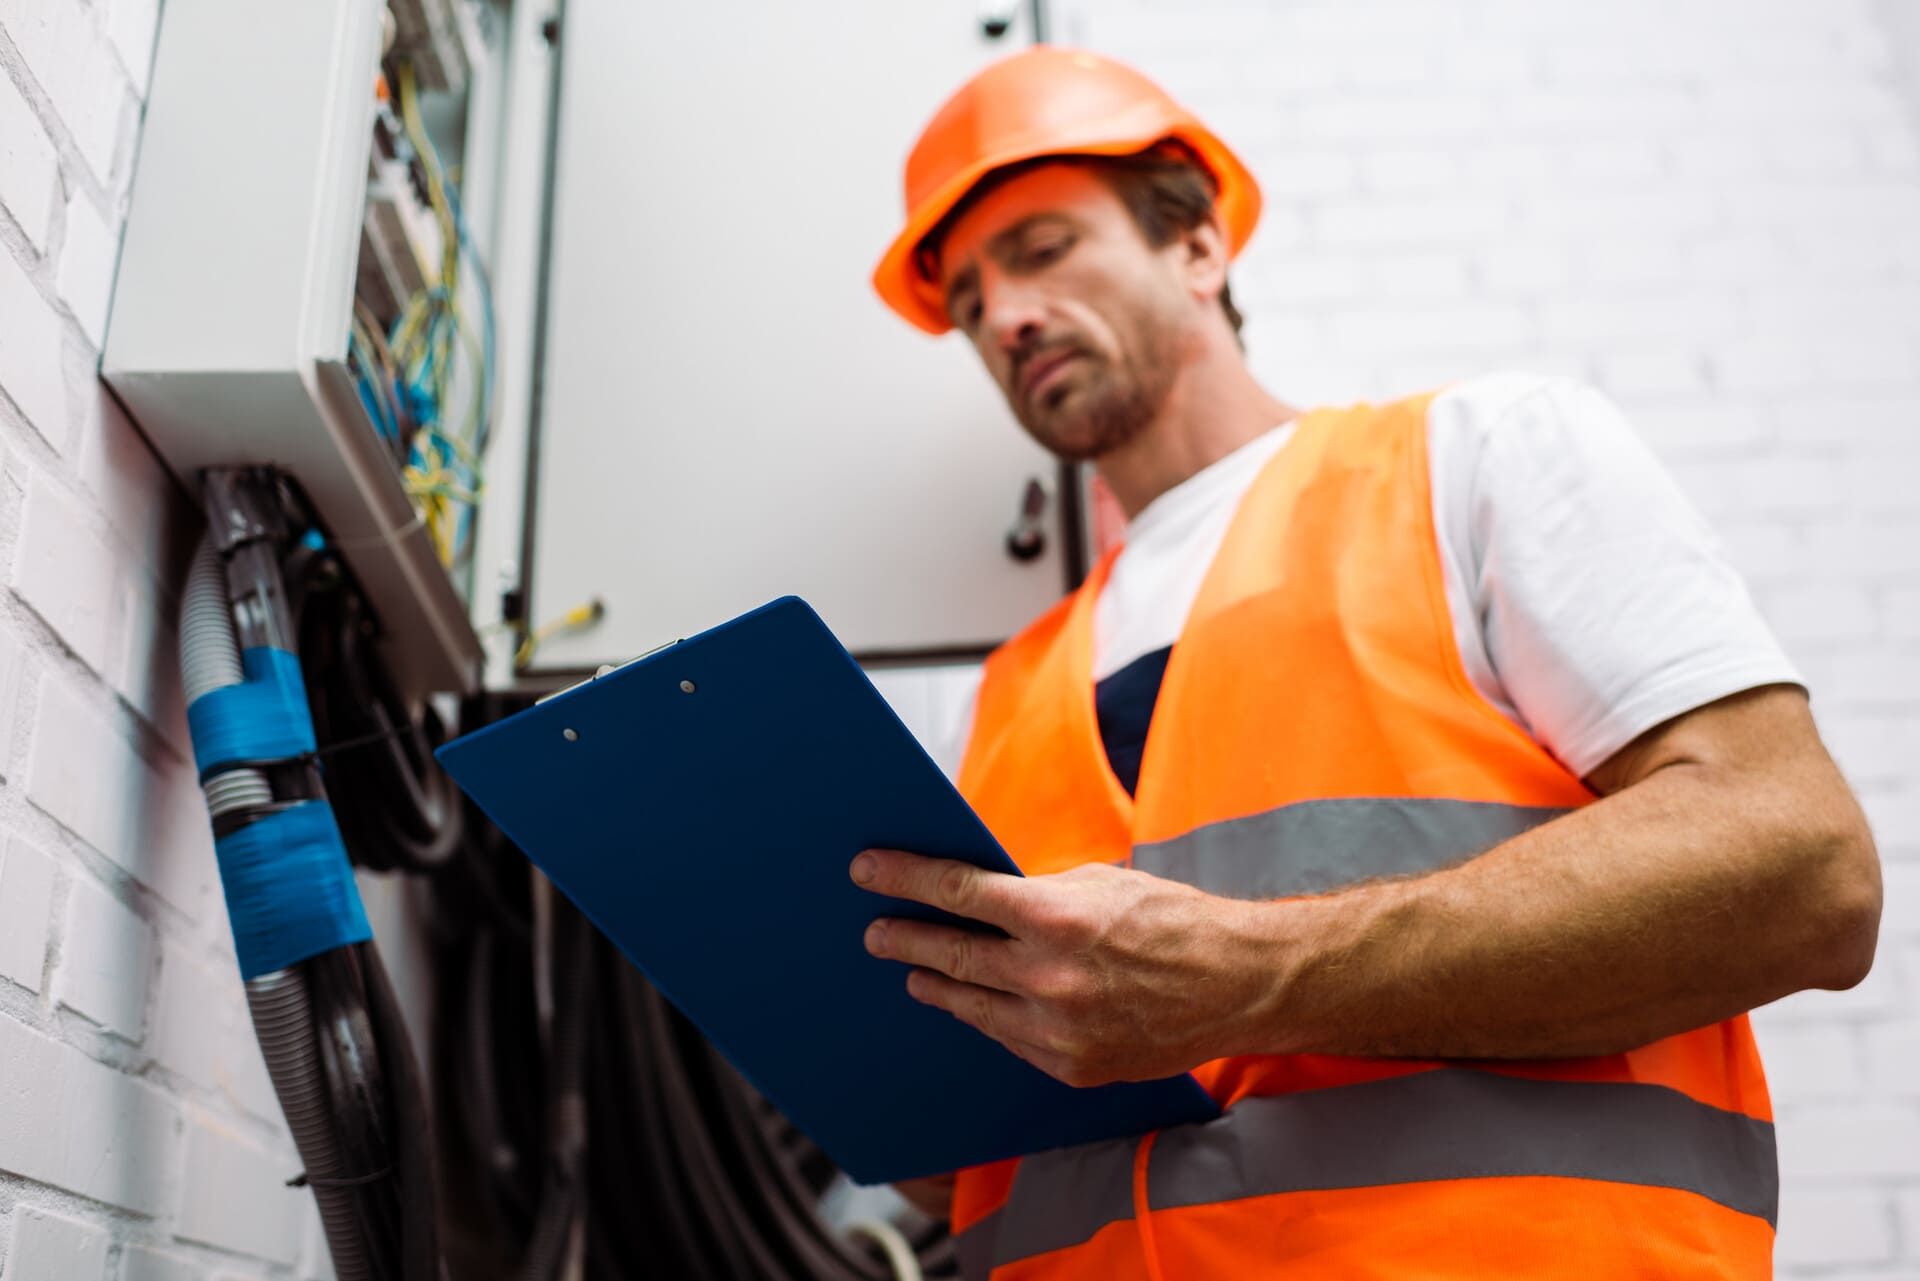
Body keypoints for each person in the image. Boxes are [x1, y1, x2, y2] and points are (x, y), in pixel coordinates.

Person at [851, 45, 1882, 1280]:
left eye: (1044, 250)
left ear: (1197, 247)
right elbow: (959, 1169)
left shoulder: (1473, 461)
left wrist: (1247, 978)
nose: (1006, 320)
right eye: (968, 305)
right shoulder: (1000, 701)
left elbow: (1802, 869)